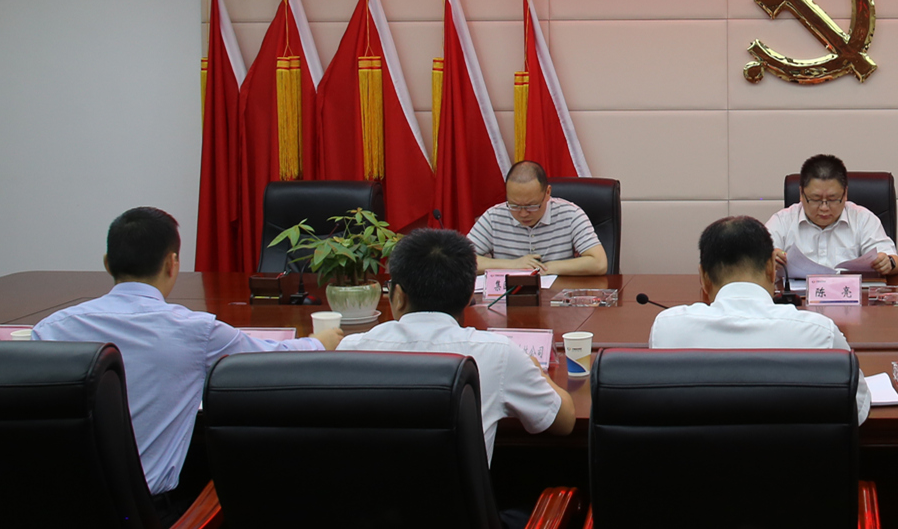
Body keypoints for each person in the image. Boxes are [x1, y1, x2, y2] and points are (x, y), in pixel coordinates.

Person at [33, 207, 339, 526]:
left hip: (60, 512)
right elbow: (270, 363)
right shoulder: (194, 331)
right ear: (172, 263)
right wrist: (320, 342)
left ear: (107, 263)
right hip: (147, 515)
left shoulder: (50, 330)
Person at [339, 228, 575, 463]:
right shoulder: (499, 353)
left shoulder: (351, 351)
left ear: (398, 296)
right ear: (470, 294)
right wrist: (537, 371)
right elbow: (564, 421)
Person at [650, 215, 871, 424]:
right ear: (771, 270)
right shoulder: (819, 332)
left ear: (703, 277)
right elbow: (857, 409)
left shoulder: (667, 330)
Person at [767, 154, 898, 275]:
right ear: (801, 193)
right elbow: (758, 261)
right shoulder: (782, 221)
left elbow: (895, 261)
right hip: (797, 294)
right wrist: (770, 259)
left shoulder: (863, 219)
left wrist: (888, 262)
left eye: (833, 199)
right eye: (815, 199)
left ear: (845, 193)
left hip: (849, 293)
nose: (824, 208)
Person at [467, 160, 607, 275]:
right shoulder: (493, 217)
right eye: (515, 205)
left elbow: (599, 263)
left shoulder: (571, 215)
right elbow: (462, 261)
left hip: (557, 296)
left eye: (531, 206)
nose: (523, 214)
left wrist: (547, 268)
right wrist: (513, 265)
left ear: (547, 193)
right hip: (508, 297)